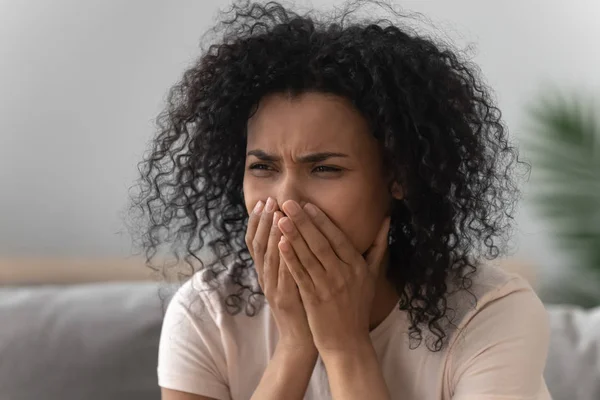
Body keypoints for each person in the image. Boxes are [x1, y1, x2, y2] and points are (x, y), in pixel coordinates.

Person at [127, 1, 551, 399]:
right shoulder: (207, 311)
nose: (285, 200)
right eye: (263, 168)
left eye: (325, 169)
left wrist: (345, 346)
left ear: (398, 177)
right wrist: (295, 346)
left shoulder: (491, 313)